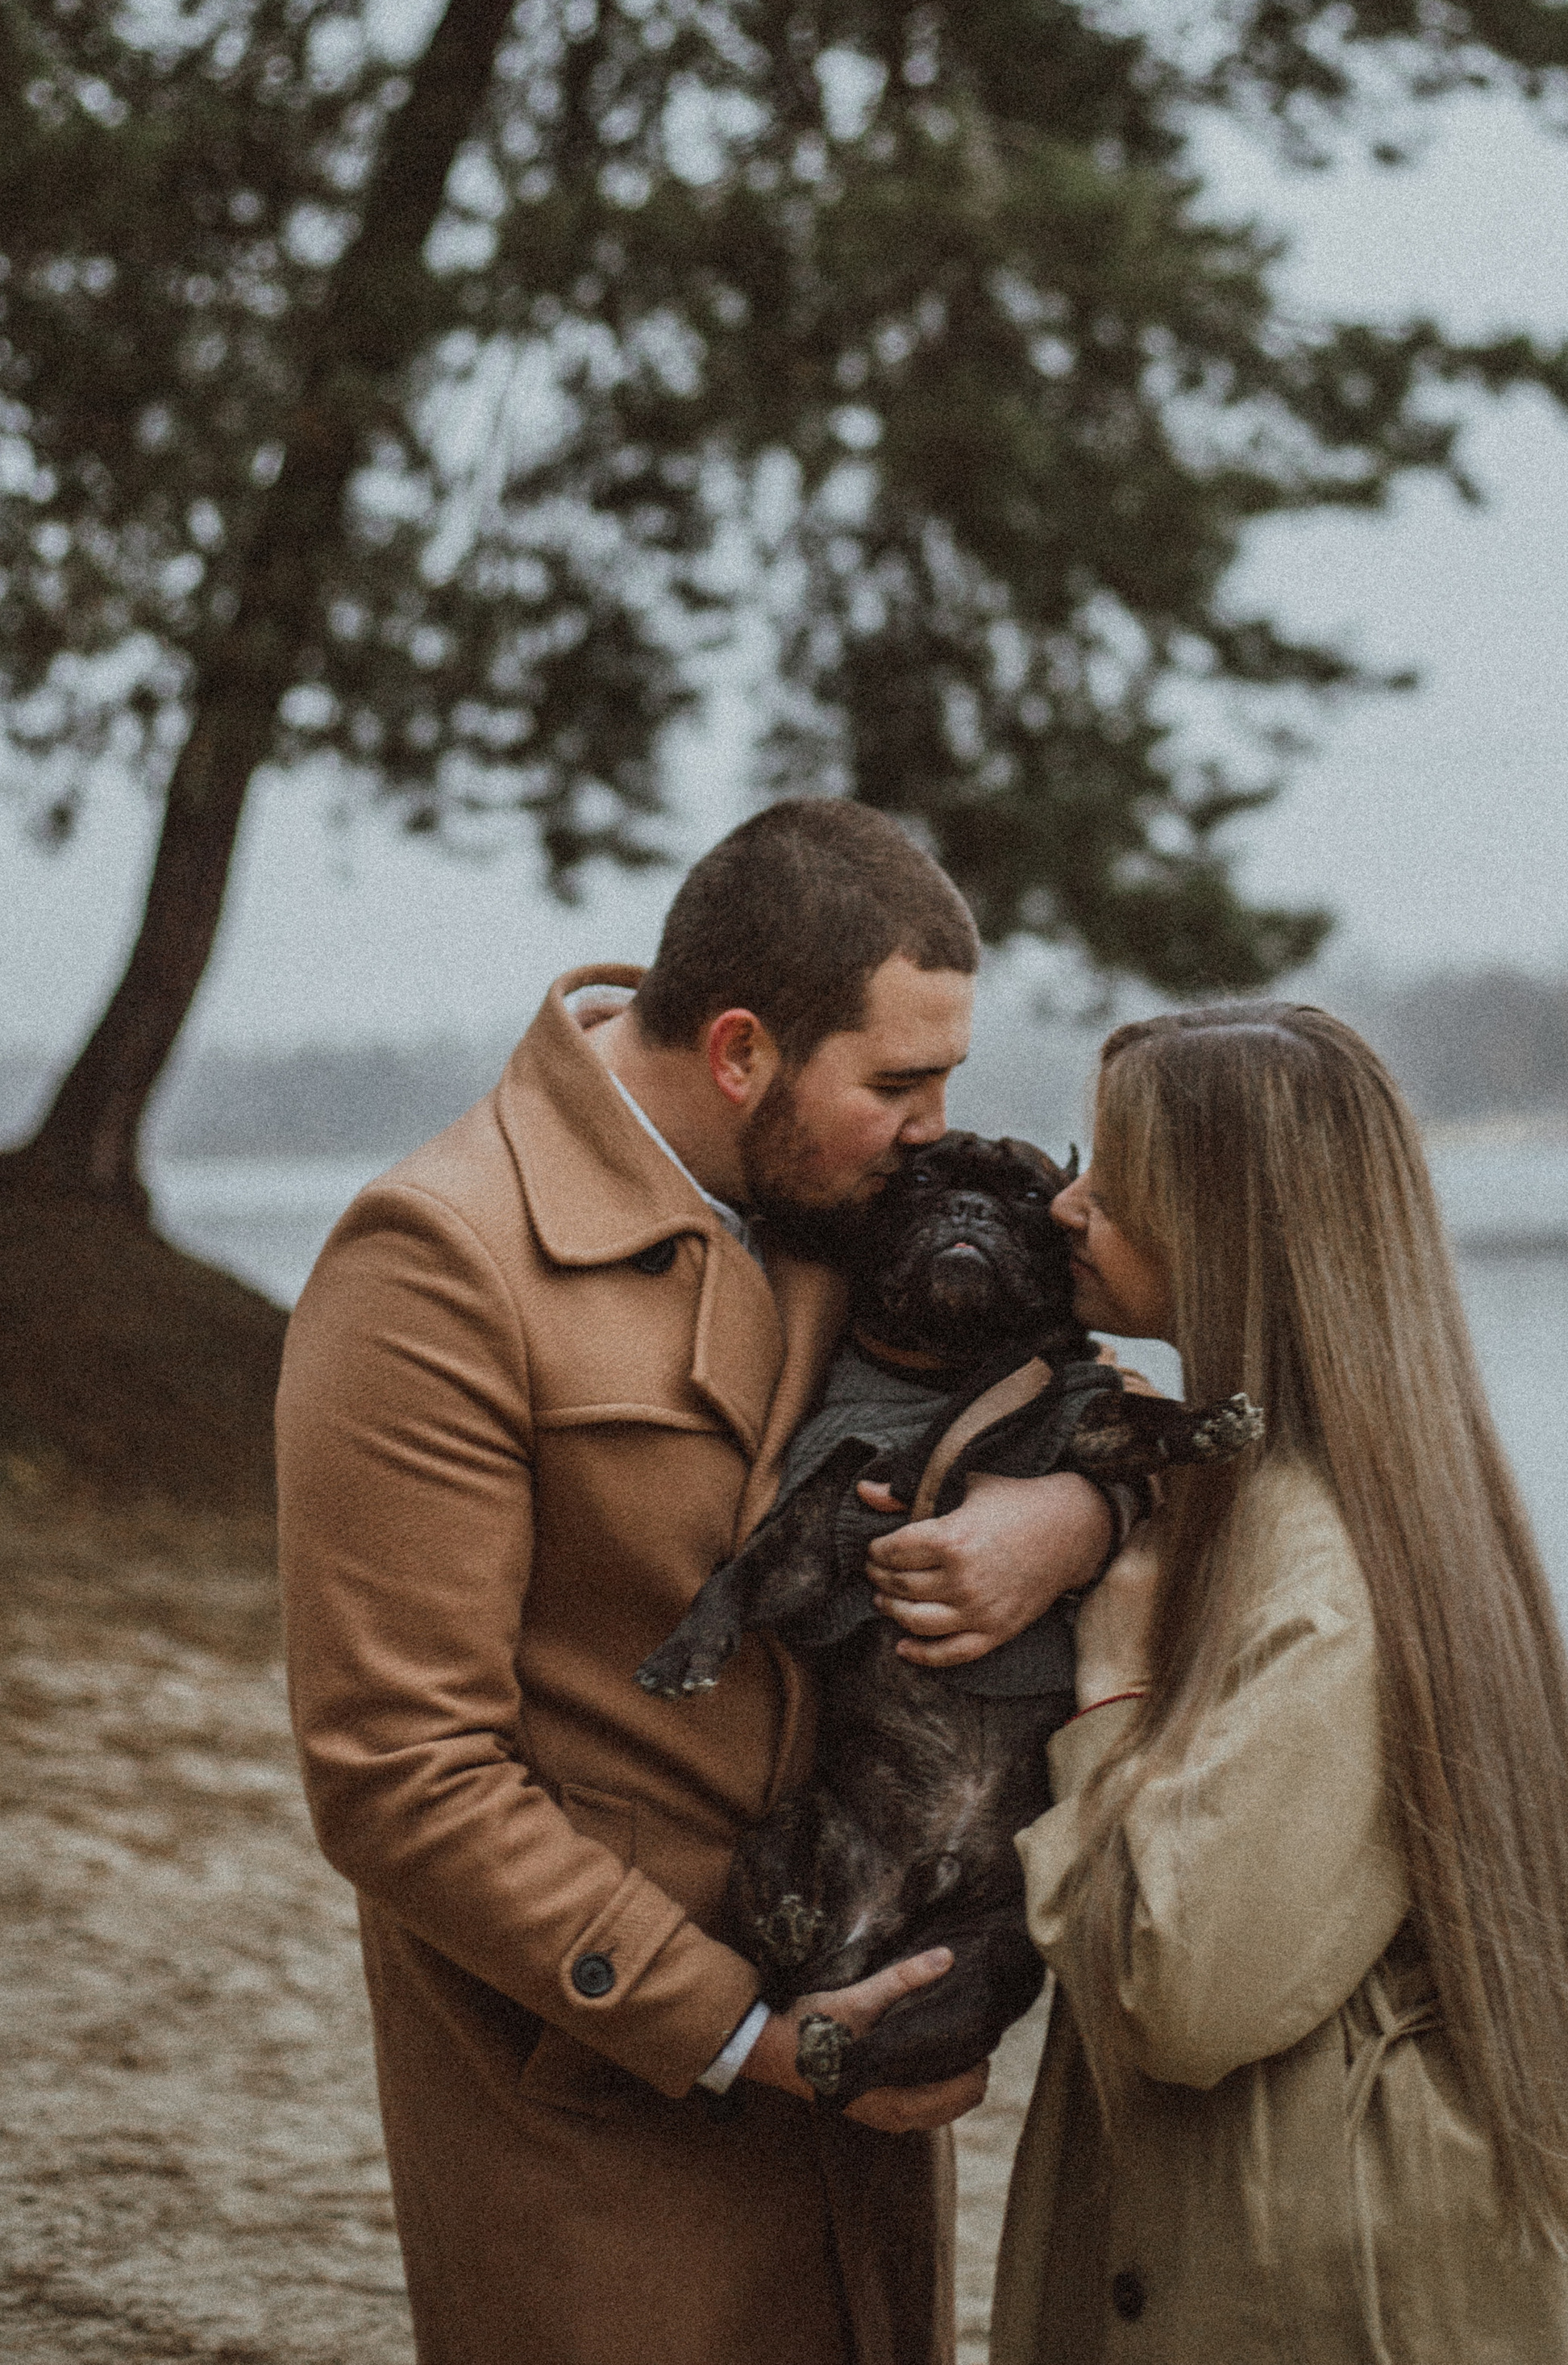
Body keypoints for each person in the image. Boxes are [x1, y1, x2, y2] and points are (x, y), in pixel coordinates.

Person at [275, 799, 1117, 2365]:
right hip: (603, 2106)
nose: (933, 1128)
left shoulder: (836, 1195)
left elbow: (1077, 1398)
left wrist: (1072, 1516)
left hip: (862, 2091)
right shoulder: (434, 1263)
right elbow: (397, 1775)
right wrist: (743, 2033)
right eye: (897, 1083)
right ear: (739, 1053)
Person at [991, 1002, 1568, 2365]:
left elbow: (1183, 1997)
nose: (1065, 1204)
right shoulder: (1359, 1489)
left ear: (1229, 1228)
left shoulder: (1318, 1568)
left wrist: (1110, 1686)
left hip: (1309, 2273)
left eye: (1114, 1179)